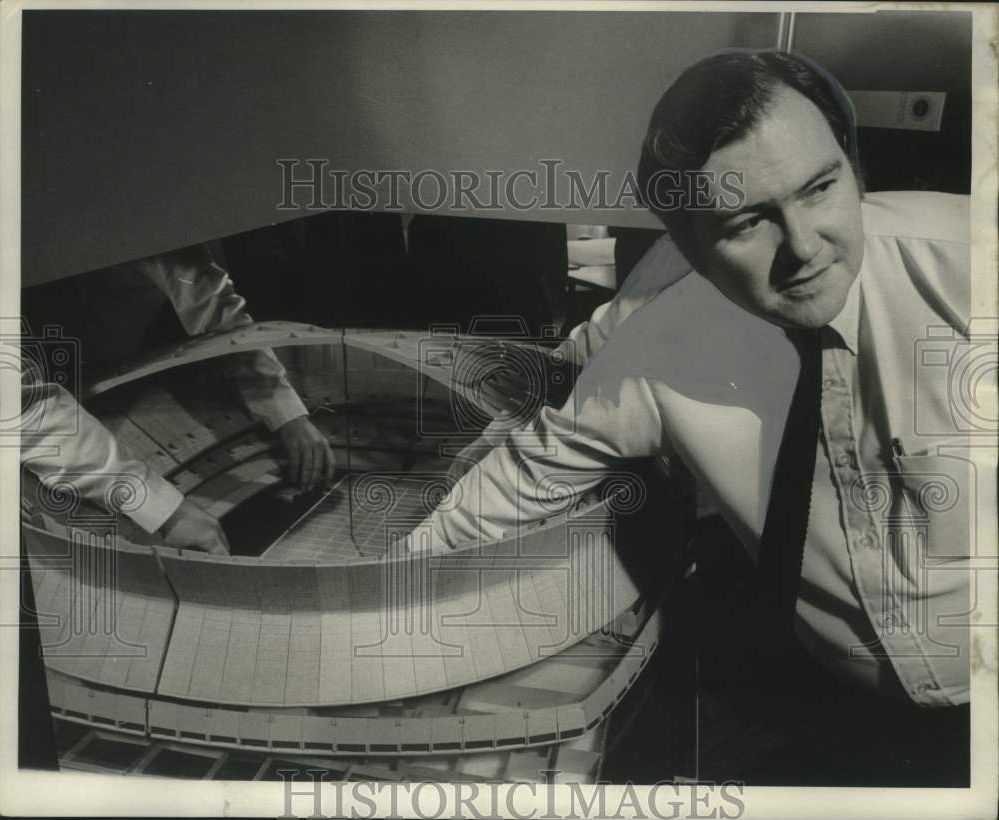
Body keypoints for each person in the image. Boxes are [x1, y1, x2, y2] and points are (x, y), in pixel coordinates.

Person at [411, 50, 991, 781]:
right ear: (688, 247)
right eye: (749, 223)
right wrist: (368, 608)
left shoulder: (973, 262)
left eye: (820, 188)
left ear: (853, 166)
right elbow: (516, 483)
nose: (805, 248)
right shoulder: (660, 346)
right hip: (827, 700)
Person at [20, 243, 336, 555]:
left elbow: (217, 311)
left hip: (91, 370)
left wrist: (288, 415)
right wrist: (168, 513)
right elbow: (25, 409)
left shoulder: (142, 213)